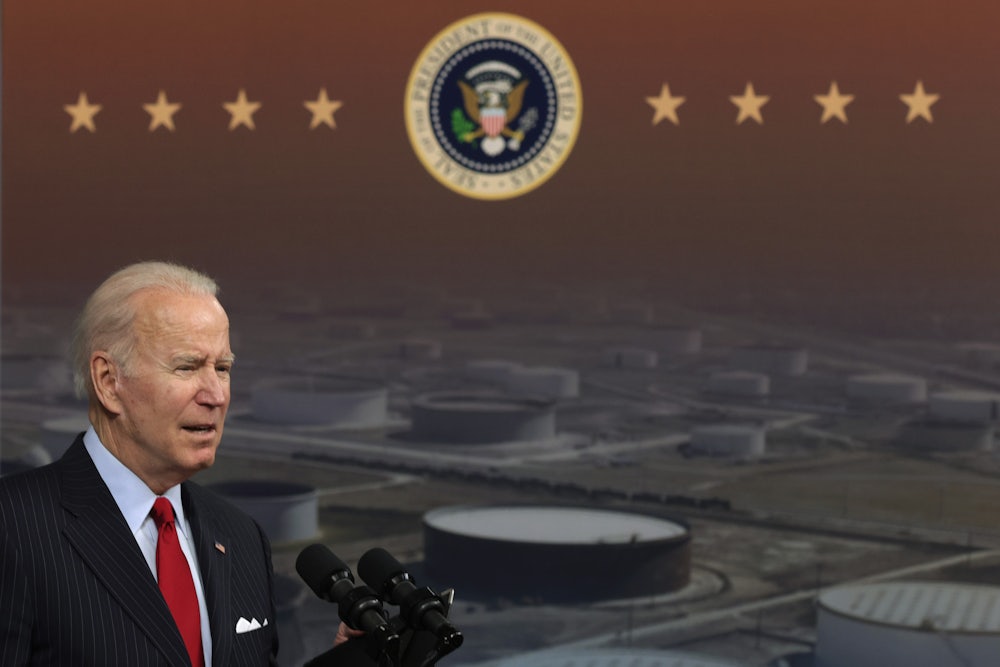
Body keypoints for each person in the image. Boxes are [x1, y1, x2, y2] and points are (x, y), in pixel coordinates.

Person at [0, 261, 358, 666]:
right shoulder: (14, 526)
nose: (215, 396)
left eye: (222, 369)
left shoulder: (241, 537)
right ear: (108, 381)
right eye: (187, 367)